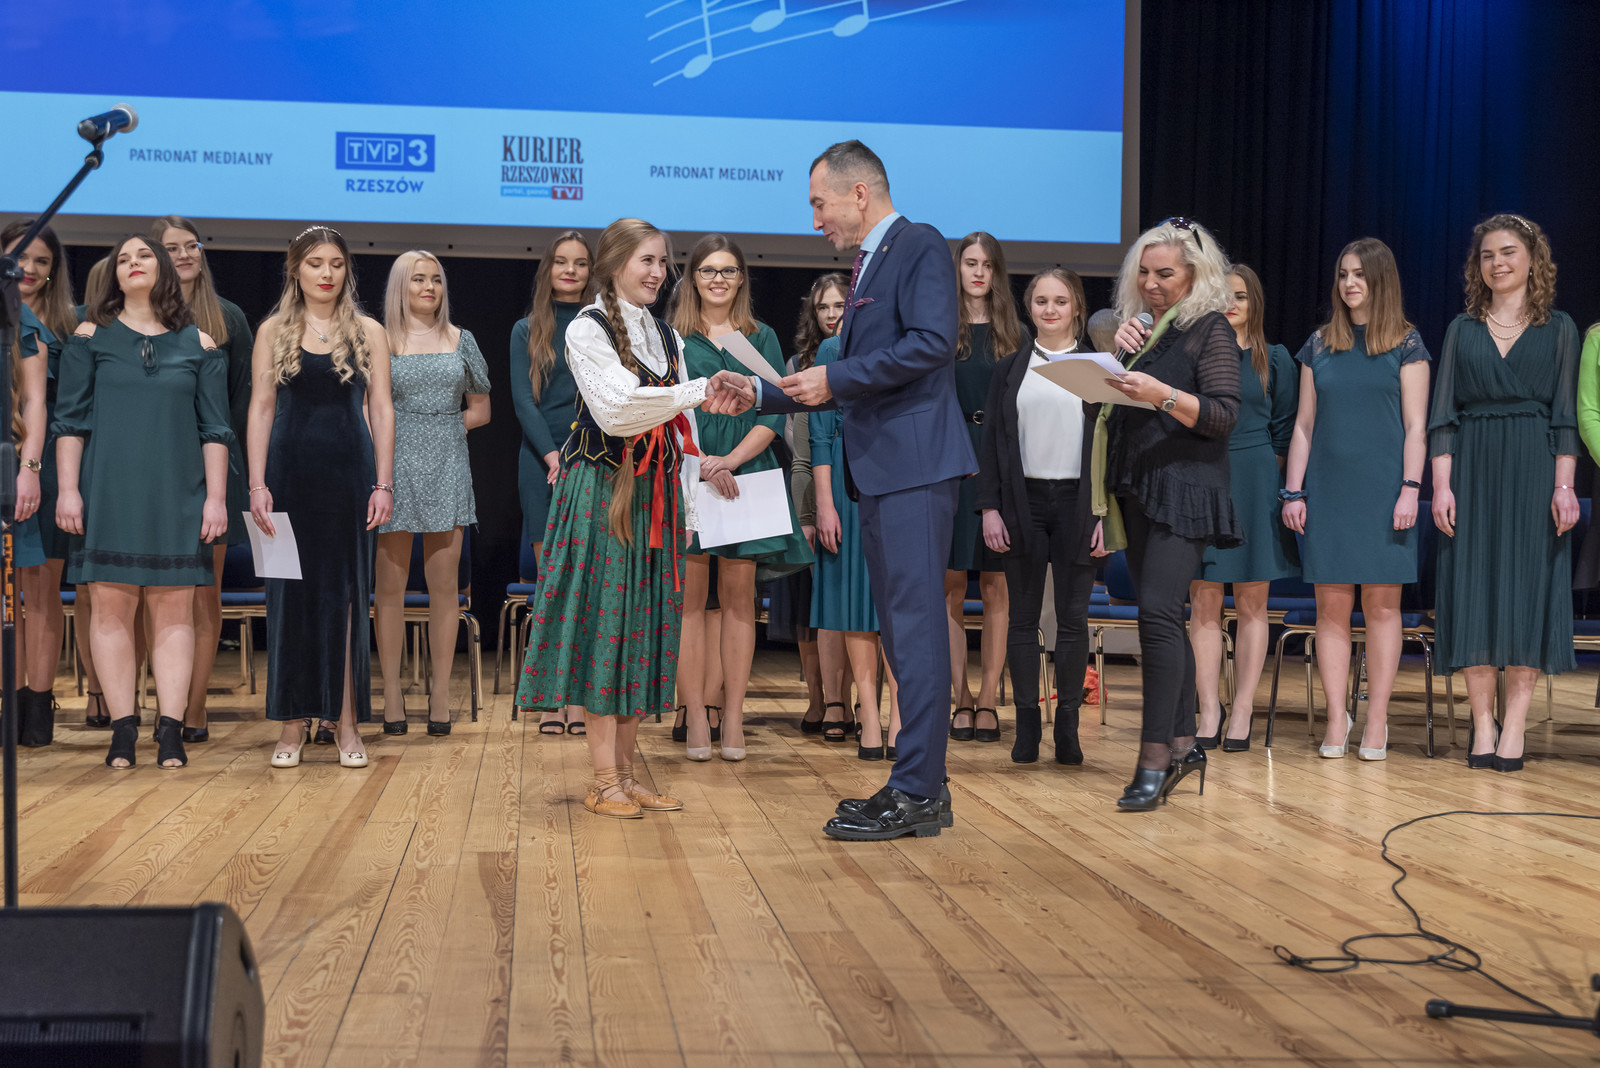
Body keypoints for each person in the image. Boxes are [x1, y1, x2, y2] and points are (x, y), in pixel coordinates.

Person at [714, 141, 972, 840]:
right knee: (901, 628)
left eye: (818, 203)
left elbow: (931, 344)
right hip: (886, 471)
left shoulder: (918, 244)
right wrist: (762, 393)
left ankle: (917, 790)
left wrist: (835, 378)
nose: (815, 220)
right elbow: (845, 376)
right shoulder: (871, 263)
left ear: (860, 193)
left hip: (915, 465)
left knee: (914, 628)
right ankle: (923, 784)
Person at [514, 218, 744, 818]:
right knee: (606, 623)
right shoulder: (587, 328)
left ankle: (625, 771)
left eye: (663, 262)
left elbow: (679, 424)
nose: (658, 272)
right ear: (615, 264)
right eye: (647, 260)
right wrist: (696, 391)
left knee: (641, 624)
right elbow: (617, 410)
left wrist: (691, 491)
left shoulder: (665, 335)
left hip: (654, 492)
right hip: (603, 490)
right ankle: (602, 778)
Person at [54, 235, 233, 769]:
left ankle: (171, 730)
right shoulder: (90, 337)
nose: (133, 263)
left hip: (179, 492)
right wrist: (68, 489)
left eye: (144, 256)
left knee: (175, 611)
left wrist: (216, 499)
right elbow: (70, 422)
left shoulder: (199, 343)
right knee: (110, 608)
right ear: (114, 274)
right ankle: (123, 730)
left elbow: (215, 430)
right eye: (124, 259)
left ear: (165, 270)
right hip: (108, 491)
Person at [1101, 218, 1241, 811]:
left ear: (1195, 274)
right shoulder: (1142, 333)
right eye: (1144, 273)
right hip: (1138, 485)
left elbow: (1223, 414)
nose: (1151, 284)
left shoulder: (1211, 328)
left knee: (1157, 613)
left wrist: (1157, 392)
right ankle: (1184, 744)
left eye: (1165, 274)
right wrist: (1114, 361)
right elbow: (1109, 409)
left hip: (1186, 488)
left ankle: (1154, 757)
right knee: (1160, 616)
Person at [1430, 215, 1578, 773]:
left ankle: (1514, 724)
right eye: (1488, 254)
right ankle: (1483, 722)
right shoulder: (1461, 329)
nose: (1498, 263)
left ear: (1533, 260)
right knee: (1474, 593)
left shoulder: (1559, 328)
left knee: (1526, 595)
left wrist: (1565, 487)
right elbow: (1442, 416)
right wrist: (1441, 486)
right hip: (1472, 468)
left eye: (1509, 252)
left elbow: (1566, 418)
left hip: (1534, 468)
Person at [248, 226, 395, 770]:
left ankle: (346, 722)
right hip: (286, 478)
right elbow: (261, 407)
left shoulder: (369, 331)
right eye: (315, 263)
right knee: (288, 601)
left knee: (347, 601)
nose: (326, 273)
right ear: (296, 270)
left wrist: (384, 483)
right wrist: (257, 484)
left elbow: (381, 408)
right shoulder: (272, 330)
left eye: (335, 263)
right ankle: (291, 724)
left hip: (349, 478)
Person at [1281, 238, 1430, 763]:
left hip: (1386, 492)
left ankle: (1377, 718)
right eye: (1344, 274)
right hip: (1329, 491)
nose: (1349, 283)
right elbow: (1303, 426)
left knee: (1383, 608)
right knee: (1331, 610)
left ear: (1381, 280)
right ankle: (1336, 716)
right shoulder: (1319, 344)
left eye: (1360, 275)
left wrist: (1410, 488)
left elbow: (1416, 428)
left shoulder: (1407, 344)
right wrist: (1293, 491)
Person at [672, 234, 811, 761]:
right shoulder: (673, 337)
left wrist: (729, 461)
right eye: (709, 270)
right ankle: (695, 718)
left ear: (741, 279)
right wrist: (702, 462)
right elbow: (664, 408)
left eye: (728, 270)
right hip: (688, 471)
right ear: (693, 278)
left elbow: (777, 411)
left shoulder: (761, 336)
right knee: (689, 605)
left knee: (739, 603)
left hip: (746, 473)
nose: (718, 279)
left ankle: (731, 717)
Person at [976, 268, 1098, 765]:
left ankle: (1067, 727)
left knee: (1073, 620)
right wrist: (990, 508)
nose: (1050, 310)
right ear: (1029, 308)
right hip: (1022, 502)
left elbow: (1113, 448)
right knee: (1023, 620)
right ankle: (1026, 726)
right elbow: (990, 443)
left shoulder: (1099, 368)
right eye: (1041, 301)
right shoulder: (1010, 368)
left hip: (1078, 504)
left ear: (1076, 308)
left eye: (1060, 301)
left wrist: (1104, 517)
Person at [373, 251, 491, 737]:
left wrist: (441, 429)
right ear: (400, 286)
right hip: (394, 464)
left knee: (445, 587)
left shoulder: (463, 340)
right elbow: (368, 406)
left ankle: (441, 693)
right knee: (390, 588)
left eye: (436, 280)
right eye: (418, 279)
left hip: (447, 463)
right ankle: (392, 694)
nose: (428, 287)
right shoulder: (379, 339)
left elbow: (481, 409)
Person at [151, 214, 254, 744]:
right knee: (156, 592)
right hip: (155, 468)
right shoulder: (137, 316)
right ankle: (162, 704)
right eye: (172, 247)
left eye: (192, 246)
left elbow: (242, 400)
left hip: (215, 468)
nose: (185, 255)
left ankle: (193, 709)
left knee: (201, 595)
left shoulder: (228, 317)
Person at [1188, 265, 1299, 752]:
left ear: (1255, 302)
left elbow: (1284, 430)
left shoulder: (1274, 358)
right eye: (1221, 296)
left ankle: (1243, 710)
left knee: (1253, 602)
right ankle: (1209, 708)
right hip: (1203, 477)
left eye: (1240, 296)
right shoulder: (1194, 354)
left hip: (1254, 480)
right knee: (1204, 599)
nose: (1230, 305)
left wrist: (1266, 481)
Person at [509, 230, 594, 737]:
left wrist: (576, 454)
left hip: (593, 459)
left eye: (580, 263)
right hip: (541, 462)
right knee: (551, 586)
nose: (570, 271)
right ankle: (549, 698)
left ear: (591, 272)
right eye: (562, 262)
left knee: (586, 586)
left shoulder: (602, 326)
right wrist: (551, 455)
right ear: (548, 269)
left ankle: (579, 698)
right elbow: (523, 400)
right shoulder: (527, 329)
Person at [945, 232, 1019, 744]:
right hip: (952, 462)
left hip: (1000, 463)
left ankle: (989, 697)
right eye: (970, 263)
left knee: (996, 586)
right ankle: (961, 697)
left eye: (987, 265)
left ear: (997, 272)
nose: (978, 272)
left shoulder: (1015, 333)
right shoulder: (940, 329)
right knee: (950, 585)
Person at [811, 334, 899, 759]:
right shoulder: (833, 349)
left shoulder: (907, 346)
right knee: (856, 605)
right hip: (846, 486)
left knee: (897, 605)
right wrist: (824, 504)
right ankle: (867, 715)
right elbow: (820, 435)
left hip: (899, 475)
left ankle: (900, 717)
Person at [2, 220, 69, 743]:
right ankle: (10, 705)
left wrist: (31, 468)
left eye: (41, 261)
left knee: (42, 590)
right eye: (20, 256)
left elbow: (37, 404)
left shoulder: (58, 327)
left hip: (41, 464)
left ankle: (38, 712)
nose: (28, 268)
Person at [783, 273, 850, 735]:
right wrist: (806, 512)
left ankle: (850, 701)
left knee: (854, 607)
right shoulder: (799, 363)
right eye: (823, 306)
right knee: (814, 606)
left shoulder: (866, 359)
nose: (831, 314)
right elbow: (800, 449)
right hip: (811, 490)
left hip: (856, 490)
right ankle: (821, 699)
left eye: (839, 305)